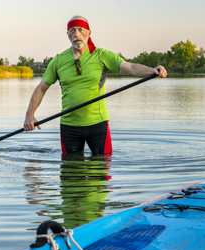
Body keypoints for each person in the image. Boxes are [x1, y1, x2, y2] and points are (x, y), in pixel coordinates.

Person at [23, 15, 167, 155]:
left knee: (101, 173)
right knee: (70, 176)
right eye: (72, 30)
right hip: (69, 126)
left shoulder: (102, 55)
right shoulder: (58, 60)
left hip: (97, 125)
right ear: (67, 34)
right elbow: (42, 87)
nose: (76, 34)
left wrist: (152, 70)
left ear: (89, 32)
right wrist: (30, 114)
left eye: (80, 29)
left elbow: (130, 67)